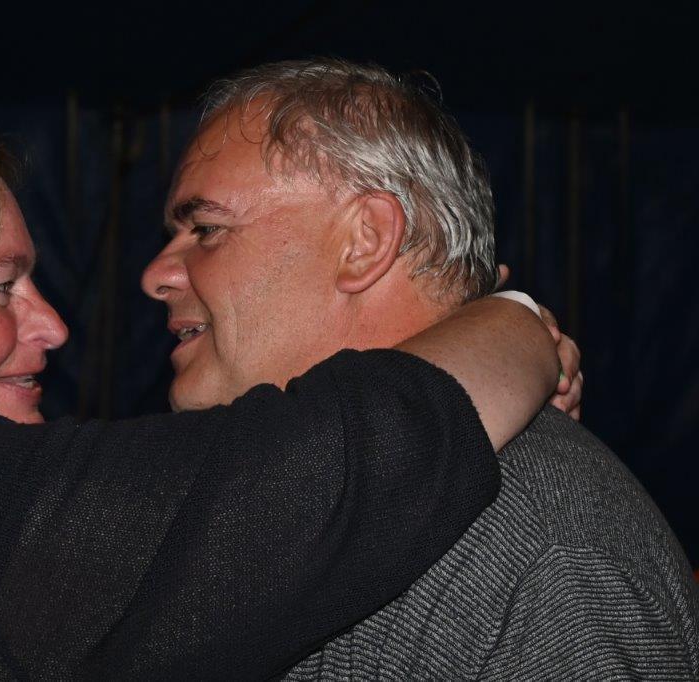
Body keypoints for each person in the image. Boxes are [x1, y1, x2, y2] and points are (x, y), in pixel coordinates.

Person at [0, 102, 563, 680]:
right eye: (1, 288)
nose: (54, 326)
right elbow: (302, 481)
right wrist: (518, 324)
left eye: (207, 229)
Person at [142, 59, 699, 678]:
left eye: (207, 228)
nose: (155, 275)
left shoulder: (531, 557)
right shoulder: (260, 499)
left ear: (366, 240)